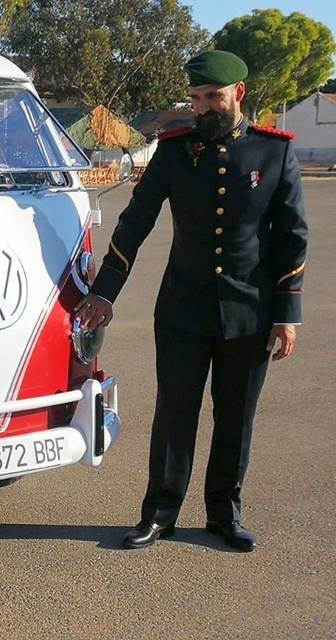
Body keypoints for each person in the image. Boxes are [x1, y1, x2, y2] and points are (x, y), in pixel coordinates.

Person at [75, 50, 307, 552]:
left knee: (235, 416)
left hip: (250, 312)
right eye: (196, 98)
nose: (202, 107)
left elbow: (292, 237)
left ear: (238, 94)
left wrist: (287, 315)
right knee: (175, 413)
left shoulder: (275, 153)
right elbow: (135, 222)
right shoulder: (174, 151)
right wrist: (105, 294)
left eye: (213, 98)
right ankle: (160, 513)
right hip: (182, 309)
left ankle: (225, 513)